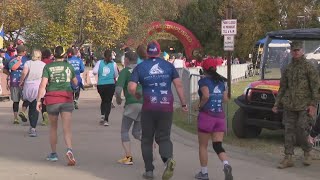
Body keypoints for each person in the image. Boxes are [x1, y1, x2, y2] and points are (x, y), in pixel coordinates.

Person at [128, 40, 188, 180]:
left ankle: (149, 171)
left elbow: (131, 88)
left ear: (147, 53)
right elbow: (178, 85)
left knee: (147, 139)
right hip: (166, 106)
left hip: (149, 107)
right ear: (159, 52)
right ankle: (168, 161)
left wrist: (136, 94)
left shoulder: (140, 67)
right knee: (164, 137)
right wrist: (184, 104)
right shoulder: (168, 66)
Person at [272, 41, 320, 168]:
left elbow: (316, 87)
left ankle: (307, 152)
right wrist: (277, 104)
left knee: (302, 129)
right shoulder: (288, 68)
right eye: (294, 50)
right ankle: (288, 158)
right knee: (288, 131)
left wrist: (313, 105)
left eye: (298, 50)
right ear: (291, 51)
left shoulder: (309, 67)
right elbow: (282, 88)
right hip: (290, 105)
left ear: (302, 51)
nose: (296, 52)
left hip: (304, 105)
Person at [36, 46, 78, 166]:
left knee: (53, 127)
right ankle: (69, 150)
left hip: (52, 99)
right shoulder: (68, 66)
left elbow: (42, 85)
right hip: (66, 98)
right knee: (67, 128)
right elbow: (75, 82)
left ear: (54, 55)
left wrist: (39, 101)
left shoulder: (48, 67)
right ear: (65, 55)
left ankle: (53, 154)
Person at [194, 58, 233, 180]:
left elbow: (205, 95)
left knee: (203, 146)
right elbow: (225, 100)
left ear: (203, 69)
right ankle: (226, 164)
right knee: (217, 145)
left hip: (207, 116)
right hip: (219, 117)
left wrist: (199, 106)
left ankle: (204, 173)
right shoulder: (222, 82)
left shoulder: (203, 81)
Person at [115, 51, 142, 165]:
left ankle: (128, 157)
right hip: (144, 103)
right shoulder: (142, 70)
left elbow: (118, 89)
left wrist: (118, 99)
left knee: (124, 130)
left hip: (132, 103)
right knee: (136, 132)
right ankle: (150, 142)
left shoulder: (125, 71)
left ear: (126, 60)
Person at [19, 50, 46, 137]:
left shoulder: (28, 63)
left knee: (29, 103)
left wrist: (21, 81)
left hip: (28, 86)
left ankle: (28, 120)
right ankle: (33, 128)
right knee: (36, 107)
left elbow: (24, 73)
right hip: (38, 86)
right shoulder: (43, 64)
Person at [3, 45, 30, 124]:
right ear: (24, 51)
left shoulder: (11, 59)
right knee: (27, 99)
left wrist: (10, 74)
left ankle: (15, 118)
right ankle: (23, 111)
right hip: (24, 82)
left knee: (15, 101)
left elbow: (4, 70)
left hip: (13, 81)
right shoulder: (27, 59)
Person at [93, 49, 119, 126]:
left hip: (101, 84)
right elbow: (116, 75)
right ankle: (106, 119)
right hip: (110, 84)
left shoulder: (99, 62)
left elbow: (94, 72)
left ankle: (102, 115)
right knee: (108, 101)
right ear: (111, 56)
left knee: (104, 100)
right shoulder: (114, 64)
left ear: (103, 56)